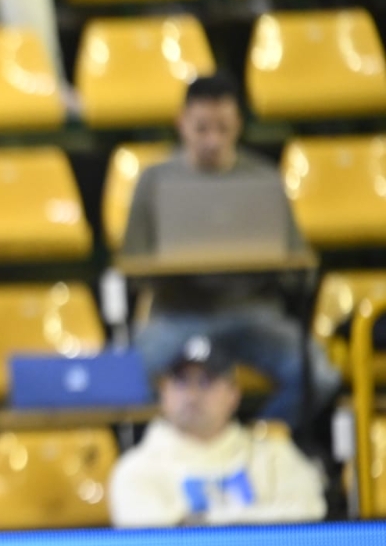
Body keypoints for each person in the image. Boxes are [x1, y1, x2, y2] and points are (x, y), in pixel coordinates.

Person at [120, 73, 340, 430]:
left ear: (238, 124)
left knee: (320, 375)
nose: (213, 140)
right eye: (202, 128)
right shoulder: (154, 181)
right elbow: (132, 264)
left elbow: (298, 264)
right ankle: (175, 451)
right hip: (176, 315)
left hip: (252, 314)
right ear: (181, 123)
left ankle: (253, 446)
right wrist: (171, 269)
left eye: (223, 128)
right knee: (125, 382)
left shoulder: (264, 179)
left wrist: (268, 266)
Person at [110, 334, 327, 527]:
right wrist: (260, 518)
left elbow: (310, 513)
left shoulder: (275, 457)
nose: (192, 395)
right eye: (181, 382)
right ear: (163, 392)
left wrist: (195, 522)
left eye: (206, 382)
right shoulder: (135, 470)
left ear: (234, 394)